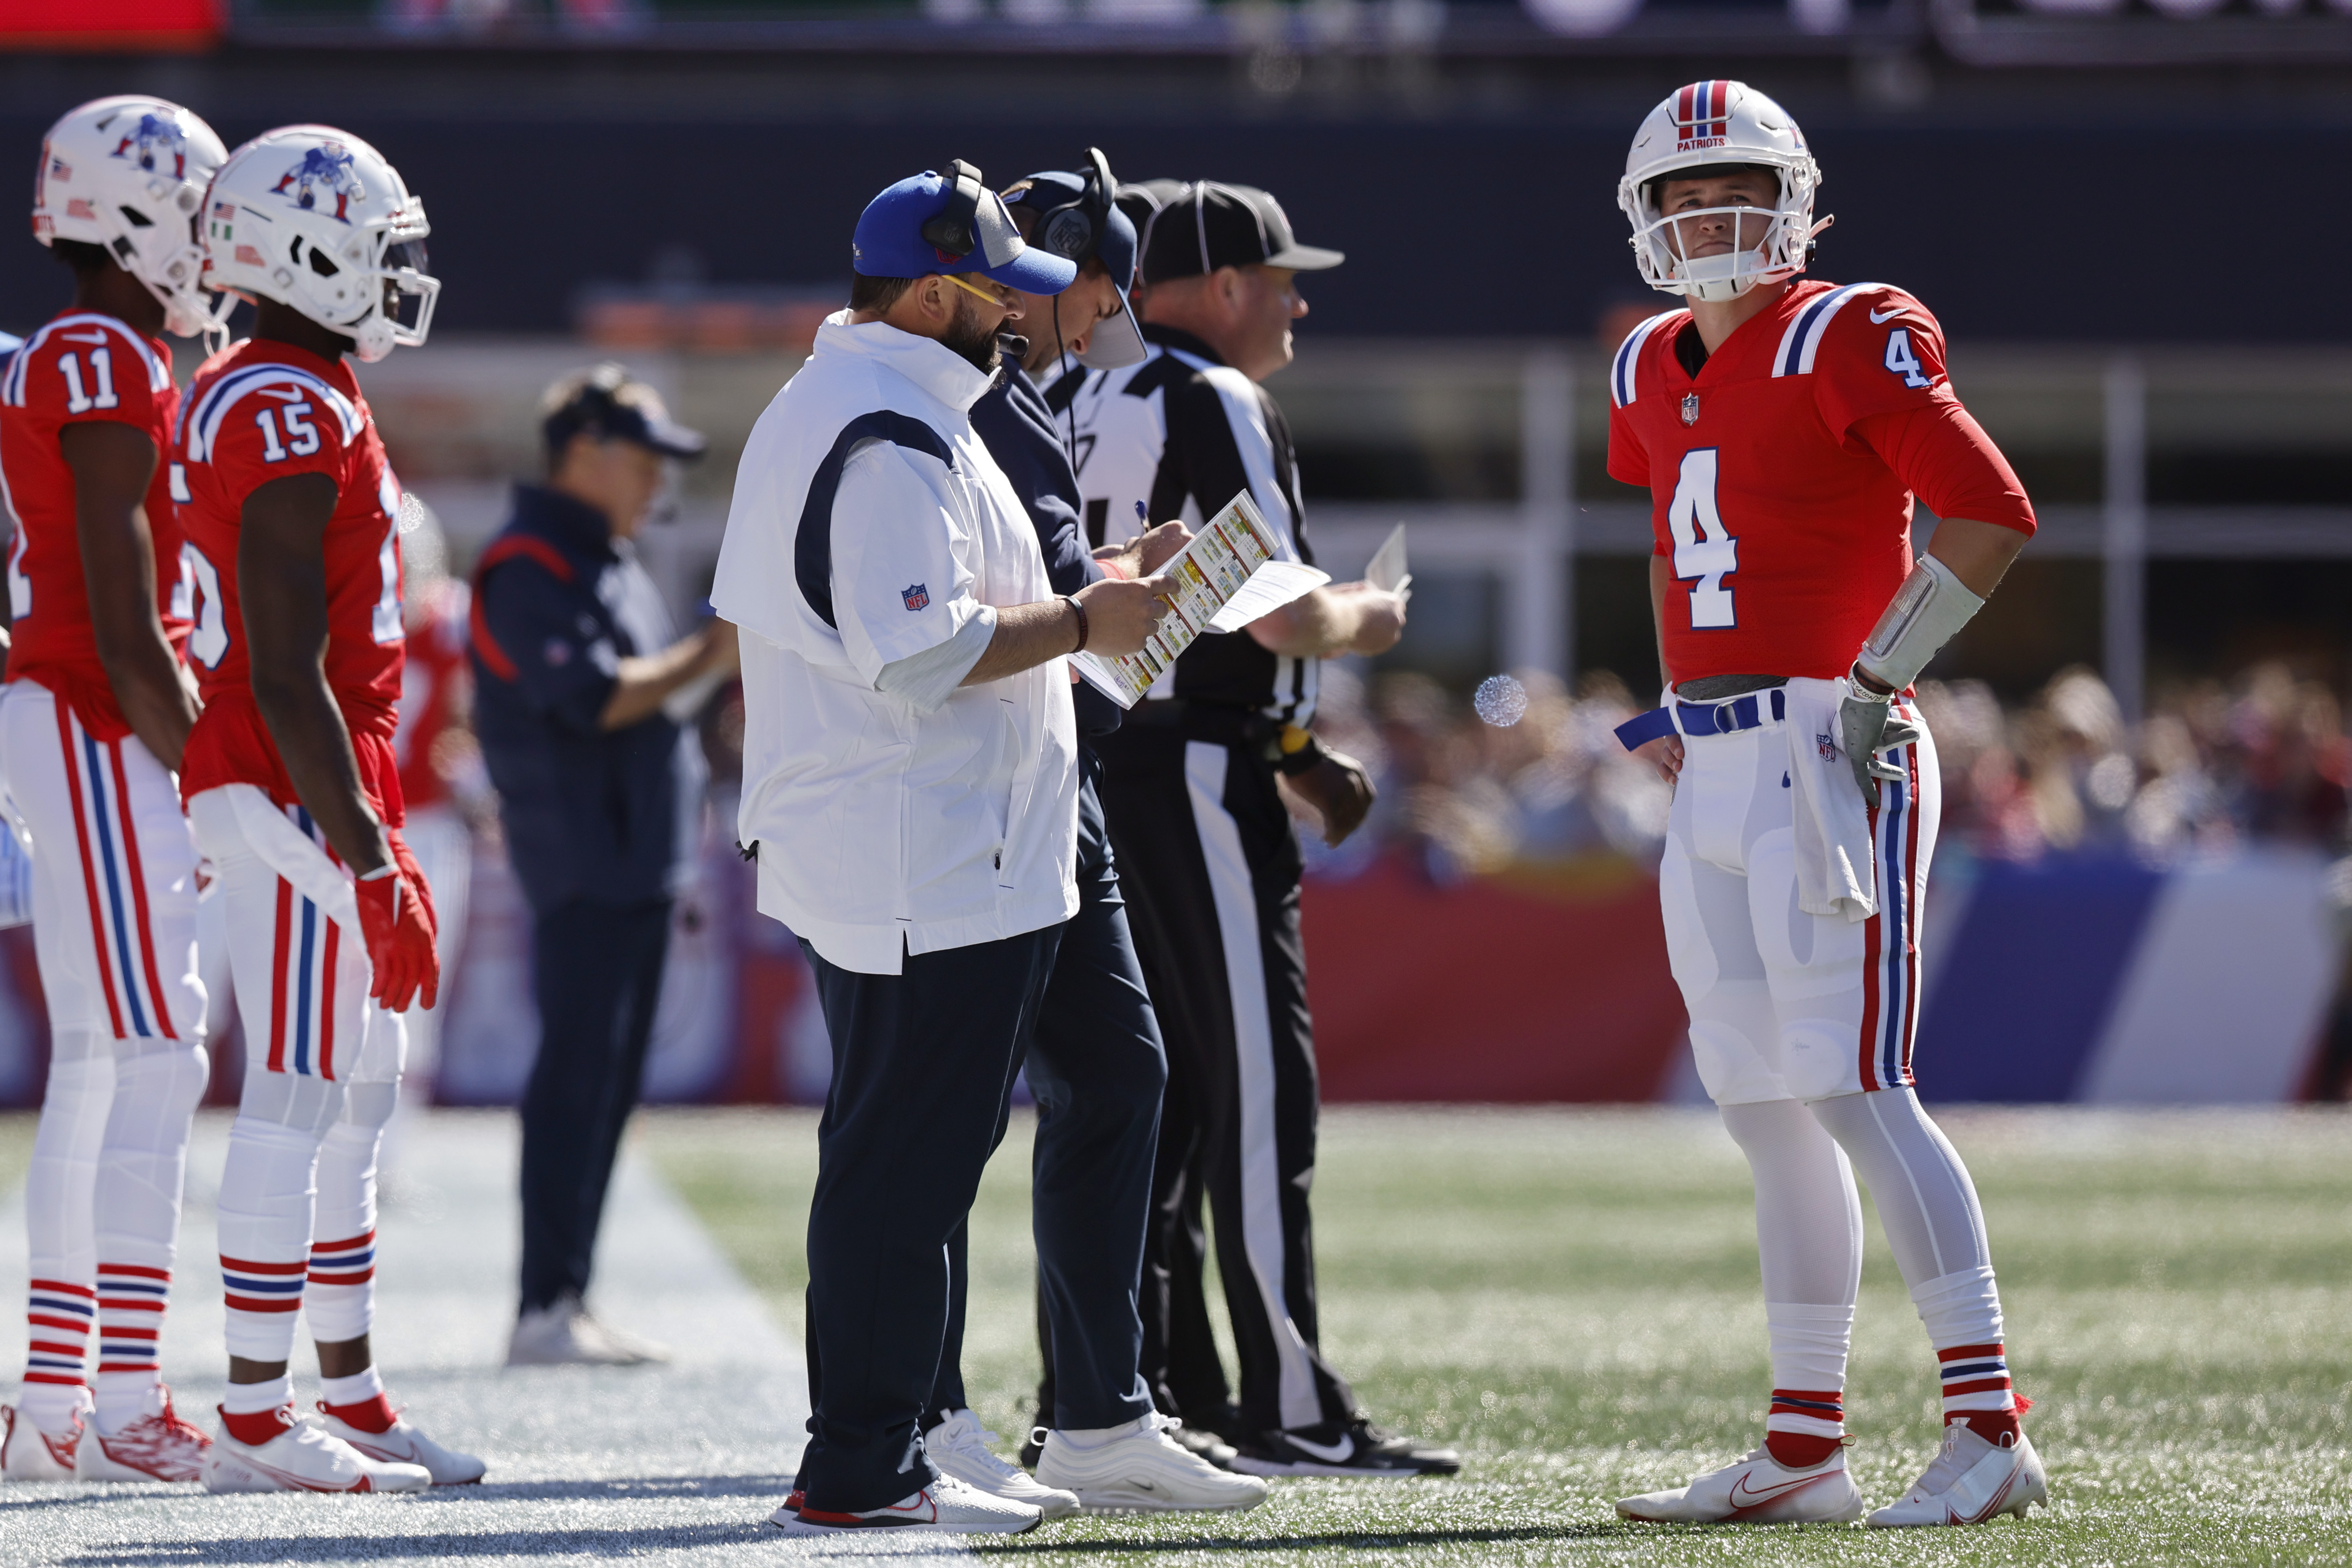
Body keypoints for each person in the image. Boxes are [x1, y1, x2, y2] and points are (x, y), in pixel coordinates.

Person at [1601, 80, 2044, 1528]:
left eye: (1739, 187)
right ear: (1643, 216)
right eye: (1683, 193)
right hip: (1716, 760)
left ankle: (1990, 1427)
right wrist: (1682, 701)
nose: (1710, 214)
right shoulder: (1645, 369)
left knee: (1858, 1087)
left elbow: (1991, 516)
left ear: (1800, 203)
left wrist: (1874, 677)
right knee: (1764, 1107)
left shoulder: (1847, 327)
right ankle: (1806, 1450)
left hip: (1831, 745)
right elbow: (1692, 545)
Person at [713, 162, 1177, 1537]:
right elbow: (918, 649)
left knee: (897, 1163)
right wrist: (1093, 627)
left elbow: (949, 609)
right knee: (900, 1173)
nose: (1019, 318)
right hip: (917, 850)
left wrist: (1092, 592)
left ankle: (884, 1454)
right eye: (995, 291)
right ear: (928, 294)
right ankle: (863, 1469)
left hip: (918, 844)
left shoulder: (886, 405)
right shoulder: (886, 430)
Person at [1063, 180, 1449, 1479]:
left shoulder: (1065, 393)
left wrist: (1288, 739)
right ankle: (1285, 1400)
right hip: (1185, 772)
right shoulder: (1209, 397)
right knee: (1255, 1093)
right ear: (1221, 286)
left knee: (1151, 1096)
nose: (1296, 300)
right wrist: (1368, 616)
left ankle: (1154, 1385)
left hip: (1097, 758)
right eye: (1280, 276)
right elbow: (1273, 616)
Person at [903, 153, 1266, 1519]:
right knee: (932, 1122)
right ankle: (921, 1412)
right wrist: (1116, 605)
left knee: (1121, 1078)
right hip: (967, 797)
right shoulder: (962, 401)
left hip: (1052, 781)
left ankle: (1103, 1413)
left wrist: (1117, 586)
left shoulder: (1019, 400)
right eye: (1076, 284)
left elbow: (1046, 595)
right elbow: (962, 625)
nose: (1090, 310)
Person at [177, 123, 481, 1494]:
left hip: (309, 775)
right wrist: (364, 854)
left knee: (354, 1093)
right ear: (303, 248)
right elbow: (285, 662)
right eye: (378, 239)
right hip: (294, 776)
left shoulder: (281, 384)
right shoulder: (282, 400)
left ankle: (345, 1387)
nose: (398, 265)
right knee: (295, 1094)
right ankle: (251, 1416)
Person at [0, 95, 224, 1484]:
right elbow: (125, 614)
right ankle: (118, 1389)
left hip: (84, 717)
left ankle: (57, 1393)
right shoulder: (97, 353)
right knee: (152, 1050)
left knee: (114, 1055)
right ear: (135, 216)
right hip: (90, 714)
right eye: (199, 216)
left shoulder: (110, 351)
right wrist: (198, 763)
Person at [469, 363, 735, 1367]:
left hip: (631, 859)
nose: (658, 483)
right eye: (645, 459)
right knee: (576, 1080)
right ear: (585, 453)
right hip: (583, 862)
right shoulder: (529, 562)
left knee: (607, 1084)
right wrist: (717, 651)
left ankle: (566, 1296)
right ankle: (544, 1304)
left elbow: (640, 701)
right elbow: (594, 699)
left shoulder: (600, 557)